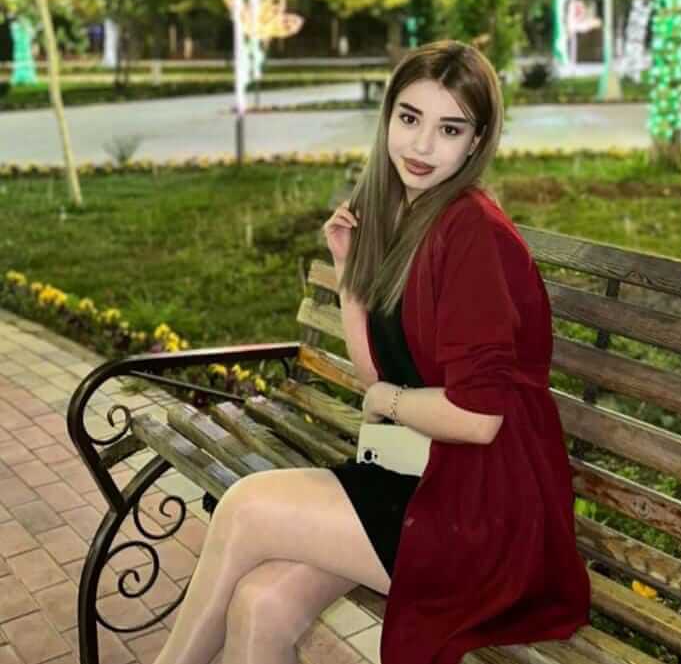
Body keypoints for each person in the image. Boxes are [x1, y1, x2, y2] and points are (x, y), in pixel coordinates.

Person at [154, 39, 592, 664]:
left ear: (476, 141)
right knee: (260, 604)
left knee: (244, 508)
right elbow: (373, 373)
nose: (421, 146)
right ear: (389, 116)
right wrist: (347, 273)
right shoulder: (406, 214)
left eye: (449, 129)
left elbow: (478, 418)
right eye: (410, 118)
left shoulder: (473, 231)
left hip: (483, 509)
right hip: (418, 471)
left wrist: (386, 400)